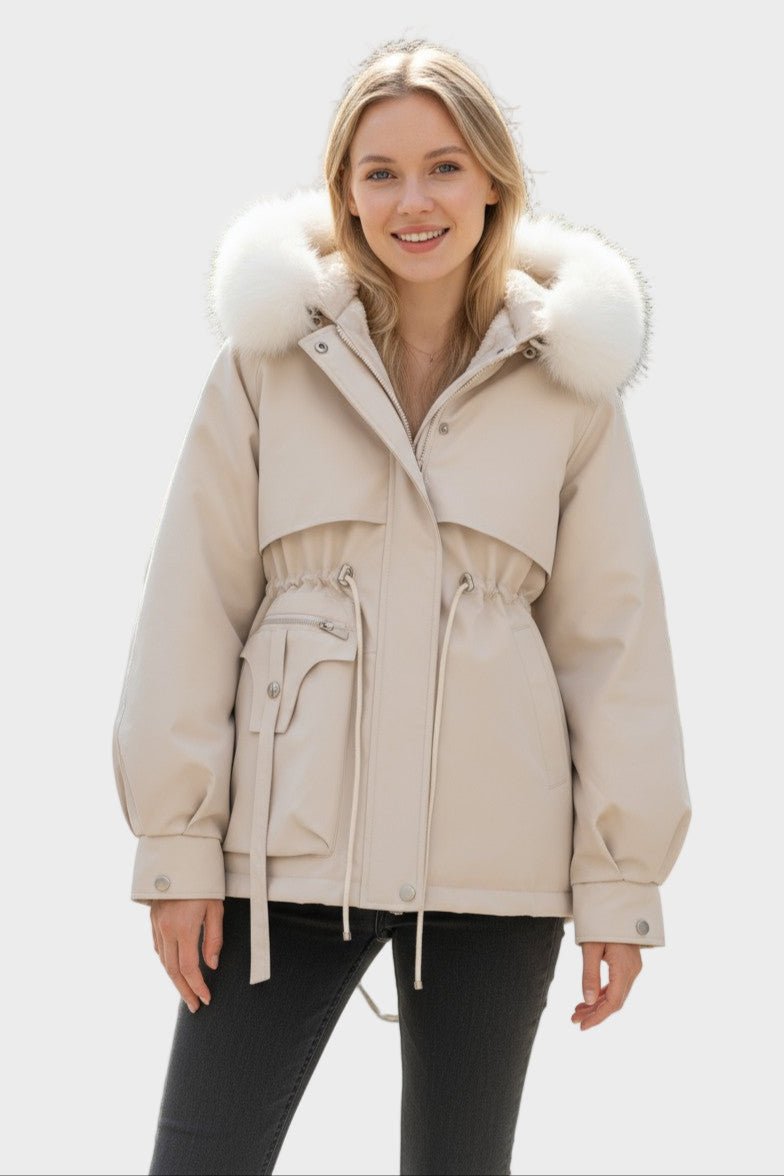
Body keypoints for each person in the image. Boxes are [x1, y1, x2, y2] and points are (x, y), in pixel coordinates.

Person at [111, 35, 692, 1176]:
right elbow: (191, 606)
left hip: (497, 870)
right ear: (345, 192)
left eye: (443, 167)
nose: (412, 201)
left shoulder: (569, 387)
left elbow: (614, 642)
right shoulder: (268, 364)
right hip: (281, 865)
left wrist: (620, 885)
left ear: (493, 183)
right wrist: (177, 849)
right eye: (380, 172)